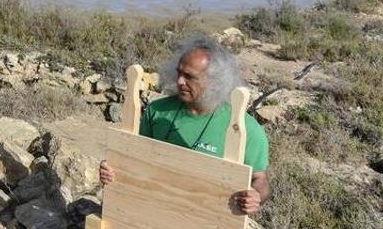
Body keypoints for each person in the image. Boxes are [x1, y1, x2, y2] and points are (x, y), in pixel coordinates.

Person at [99, 36, 270, 214]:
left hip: (208, 222)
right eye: (179, 72)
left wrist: (255, 197)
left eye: (189, 77)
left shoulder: (245, 128)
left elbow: (260, 180)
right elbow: (134, 158)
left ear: (215, 82)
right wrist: (112, 169)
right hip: (152, 213)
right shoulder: (157, 111)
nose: (180, 81)